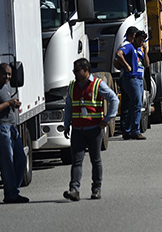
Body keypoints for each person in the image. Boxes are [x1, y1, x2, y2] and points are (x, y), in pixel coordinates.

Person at [62, 58, 120, 201]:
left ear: (86, 71)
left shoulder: (97, 85)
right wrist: (66, 124)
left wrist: (107, 120)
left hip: (94, 129)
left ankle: (96, 189)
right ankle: (74, 190)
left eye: (77, 71)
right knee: (76, 161)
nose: (74, 73)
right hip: (77, 130)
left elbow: (114, 99)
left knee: (95, 159)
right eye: (74, 71)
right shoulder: (72, 86)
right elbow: (68, 107)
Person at [0, 63, 28, 203]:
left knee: (21, 160)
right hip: (1, 129)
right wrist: (8, 104)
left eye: (9, 74)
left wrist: (14, 104)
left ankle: (13, 189)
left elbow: (6, 103)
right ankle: (11, 194)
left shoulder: (6, 87)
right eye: (4, 74)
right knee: (7, 162)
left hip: (12, 128)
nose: (7, 77)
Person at [114, 29, 149, 140]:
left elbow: (146, 64)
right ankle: (135, 130)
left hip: (139, 79)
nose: (140, 42)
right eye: (139, 39)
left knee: (133, 105)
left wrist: (145, 51)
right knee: (137, 103)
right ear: (135, 38)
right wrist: (127, 65)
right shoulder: (129, 47)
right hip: (131, 78)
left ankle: (127, 130)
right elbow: (119, 54)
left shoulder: (140, 50)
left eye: (142, 40)